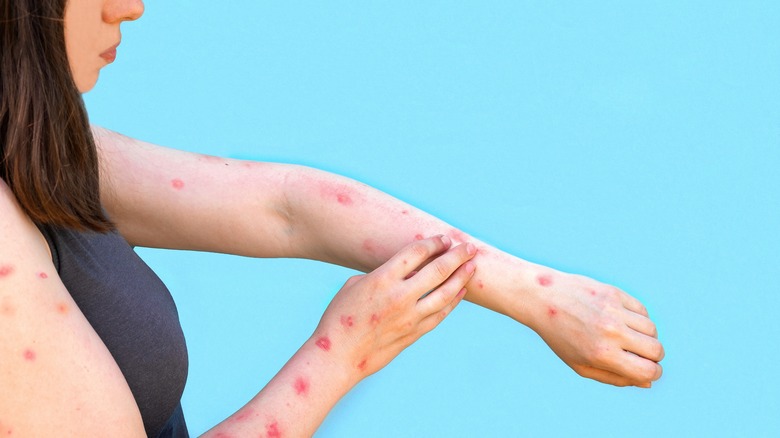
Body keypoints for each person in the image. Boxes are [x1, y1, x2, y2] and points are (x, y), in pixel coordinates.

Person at [0, 0, 665, 436]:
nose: (131, 7)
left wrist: (537, 294)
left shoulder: (33, 145)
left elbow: (286, 208)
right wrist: (344, 351)